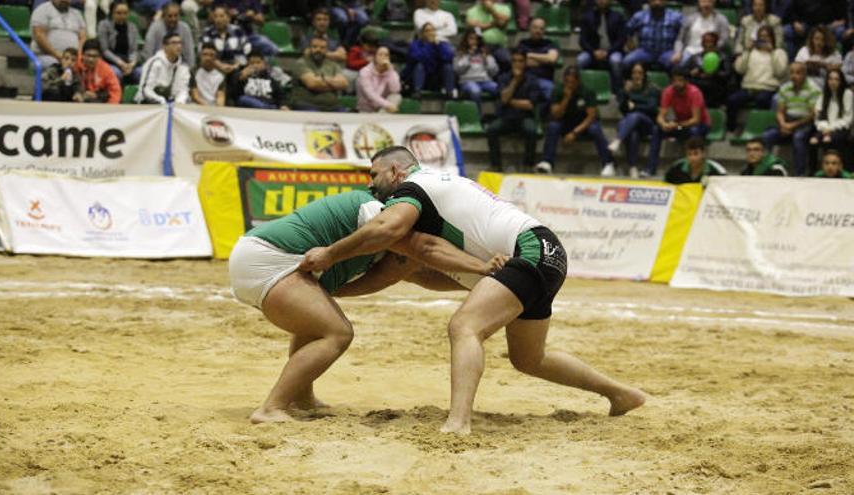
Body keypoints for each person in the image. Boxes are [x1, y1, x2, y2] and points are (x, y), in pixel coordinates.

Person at [299, 146, 647, 435]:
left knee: (464, 326)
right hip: (546, 252)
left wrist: (330, 254)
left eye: (374, 176)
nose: (372, 187)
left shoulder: (416, 185)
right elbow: (412, 270)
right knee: (529, 358)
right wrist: (336, 293)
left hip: (529, 249)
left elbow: (387, 228)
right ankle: (621, 394)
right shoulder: (439, 192)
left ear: (395, 171)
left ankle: (458, 422)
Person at [230, 189, 505, 423]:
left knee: (318, 325)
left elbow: (420, 274)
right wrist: (480, 266)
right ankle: (271, 407)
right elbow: (425, 248)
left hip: (264, 259)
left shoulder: (392, 236)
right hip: (267, 258)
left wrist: (487, 283)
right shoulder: (373, 209)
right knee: (336, 333)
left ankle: (300, 398)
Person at [537, 66, 616, 176]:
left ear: (578, 81)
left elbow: (591, 116)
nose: (569, 85)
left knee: (595, 129)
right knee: (552, 126)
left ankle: (608, 163)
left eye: (572, 82)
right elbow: (555, 115)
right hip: (565, 121)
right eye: (567, 81)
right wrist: (566, 98)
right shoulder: (558, 90)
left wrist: (574, 133)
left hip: (583, 124)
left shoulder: (587, 92)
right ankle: (547, 162)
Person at [486, 51, 542, 172]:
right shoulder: (504, 78)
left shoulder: (532, 80)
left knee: (532, 130)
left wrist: (510, 101)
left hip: (525, 117)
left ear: (525, 63)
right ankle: (496, 165)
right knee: (492, 129)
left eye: (520, 61)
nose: (517, 64)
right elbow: (503, 98)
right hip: (506, 116)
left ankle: (528, 165)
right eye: (515, 61)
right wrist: (515, 81)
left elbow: (530, 105)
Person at [762, 61, 821, 176]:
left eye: (798, 73)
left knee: (798, 138)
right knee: (767, 136)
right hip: (787, 121)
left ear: (805, 74)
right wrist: (783, 124)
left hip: (806, 123)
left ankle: (800, 174)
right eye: (792, 73)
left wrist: (792, 126)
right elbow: (780, 111)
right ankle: (766, 169)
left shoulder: (813, 89)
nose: (794, 76)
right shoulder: (785, 88)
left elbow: (812, 116)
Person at [727, 26, 788, 132]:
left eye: (766, 36)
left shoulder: (779, 52)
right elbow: (739, 69)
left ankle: (757, 128)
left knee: (762, 100)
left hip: (767, 88)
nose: (764, 39)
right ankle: (732, 129)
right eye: (761, 36)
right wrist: (747, 51)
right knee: (732, 100)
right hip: (748, 87)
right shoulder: (751, 52)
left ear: (772, 38)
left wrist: (772, 52)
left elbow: (780, 72)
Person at [608, 62, 662, 178]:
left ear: (644, 74)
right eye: (634, 73)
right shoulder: (627, 88)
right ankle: (633, 167)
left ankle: (618, 140)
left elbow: (652, 108)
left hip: (648, 124)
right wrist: (626, 94)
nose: (636, 75)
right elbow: (623, 109)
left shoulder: (652, 88)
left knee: (635, 115)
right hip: (632, 125)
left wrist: (635, 106)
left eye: (639, 72)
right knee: (633, 134)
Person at [577, 0, 627, 95]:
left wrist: (608, 52)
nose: (602, 1)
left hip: (612, 51)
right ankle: (580, 90)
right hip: (593, 51)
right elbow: (582, 40)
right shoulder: (587, 17)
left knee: (616, 61)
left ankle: (617, 90)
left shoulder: (618, 16)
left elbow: (621, 40)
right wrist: (593, 52)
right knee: (580, 60)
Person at [290, 36, 349, 111]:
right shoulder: (301, 63)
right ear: (309, 48)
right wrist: (334, 84)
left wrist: (324, 79)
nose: (318, 50)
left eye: (322, 48)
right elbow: (312, 84)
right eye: (315, 47)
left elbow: (344, 83)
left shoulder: (333, 64)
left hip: (332, 106)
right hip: (307, 105)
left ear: (327, 50)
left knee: (347, 115)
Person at [809, 68, 853, 169]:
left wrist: (830, 129)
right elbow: (818, 117)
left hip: (841, 129)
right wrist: (824, 128)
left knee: (827, 140)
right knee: (813, 141)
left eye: (836, 79)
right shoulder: (824, 94)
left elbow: (847, 120)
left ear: (841, 81)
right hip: (825, 128)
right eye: (830, 79)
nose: (833, 82)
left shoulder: (847, 94)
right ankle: (813, 172)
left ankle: (835, 170)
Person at [657, 66, 711, 147]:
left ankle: (694, 157)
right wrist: (663, 124)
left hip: (699, 125)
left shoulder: (695, 93)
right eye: (674, 80)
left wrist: (678, 125)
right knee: (656, 129)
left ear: (686, 81)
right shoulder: (668, 92)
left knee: (694, 131)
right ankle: (653, 160)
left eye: (680, 80)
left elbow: (696, 120)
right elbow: (661, 115)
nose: (677, 83)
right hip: (679, 126)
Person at [624, 0, 684, 72]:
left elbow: (683, 35)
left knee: (679, 65)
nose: (657, 3)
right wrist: (630, 41)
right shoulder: (640, 16)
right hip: (645, 51)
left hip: (667, 52)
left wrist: (678, 52)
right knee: (627, 61)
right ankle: (628, 83)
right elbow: (627, 30)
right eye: (654, 0)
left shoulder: (675, 16)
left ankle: (673, 83)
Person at [402, 23, 456, 99]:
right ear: (422, 33)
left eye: (432, 30)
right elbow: (417, 57)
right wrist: (429, 45)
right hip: (419, 77)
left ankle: (449, 93)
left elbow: (448, 58)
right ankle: (417, 92)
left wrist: (438, 46)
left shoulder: (441, 44)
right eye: (427, 31)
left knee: (448, 66)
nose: (430, 33)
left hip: (436, 79)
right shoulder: (415, 44)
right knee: (419, 65)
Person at [454, 29, 500, 117]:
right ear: (466, 40)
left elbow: (494, 72)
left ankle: (499, 115)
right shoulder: (460, 53)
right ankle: (478, 117)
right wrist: (468, 57)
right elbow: (458, 70)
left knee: (499, 89)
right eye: (471, 39)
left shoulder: (485, 53)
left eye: (476, 39)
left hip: (485, 81)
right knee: (475, 91)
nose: (474, 42)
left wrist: (486, 59)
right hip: (467, 81)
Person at [671, 0, 731, 66]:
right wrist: (678, 52)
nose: (706, 5)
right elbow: (679, 40)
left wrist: (712, 49)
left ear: (714, 3)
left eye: (709, 2)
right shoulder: (690, 19)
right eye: (703, 2)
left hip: (711, 53)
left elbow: (724, 40)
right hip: (689, 52)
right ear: (699, 2)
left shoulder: (721, 20)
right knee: (677, 67)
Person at [136, 33, 191, 104]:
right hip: (148, 103)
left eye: (180, 43)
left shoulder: (183, 67)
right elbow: (146, 90)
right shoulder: (155, 63)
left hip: (171, 104)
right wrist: (162, 101)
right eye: (174, 43)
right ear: (165, 46)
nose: (179, 46)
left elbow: (183, 90)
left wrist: (179, 102)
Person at [30, 0, 87, 68]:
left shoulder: (77, 13)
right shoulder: (42, 10)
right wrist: (59, 56)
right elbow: (39, 35)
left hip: (73, 57)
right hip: (47, 56)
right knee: (56, 65)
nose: (64, 1)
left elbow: (83, 37)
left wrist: (78, 55)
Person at [682, 31, 731, 108]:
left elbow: (727, 74)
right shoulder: (695, 57)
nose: (708, 44)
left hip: (714, 84)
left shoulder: (723, 57)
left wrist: (713, 73)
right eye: (705, 42)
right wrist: (690, 72)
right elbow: (682, 71)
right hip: (697, 82)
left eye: (710, 42)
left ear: (715, 43)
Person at [516, 18, 560, 102]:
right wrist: (543, 60)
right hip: (525, 79)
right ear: (530, 28)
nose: (538, 30)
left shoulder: (549, 43)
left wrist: (529, 54)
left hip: (544, 80)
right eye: (535, 27)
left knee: (551, 90)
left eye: (541, 28)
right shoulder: (523, 43)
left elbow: (551, 59)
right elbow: (520, 61)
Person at [97, 1, 141, 85]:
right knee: (116, 73)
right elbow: (104, 50)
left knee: (141, 72)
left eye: (125, 13)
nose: (122, 16)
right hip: (110, 61)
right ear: (111, 13)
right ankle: (117, 97)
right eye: (118, 13)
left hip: (128, 62)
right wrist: (120, 63)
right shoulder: (103, 25)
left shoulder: (132, 27)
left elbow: (134, 50)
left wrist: (132, 64)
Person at [199, 6, 252, 75]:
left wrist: (235, 66)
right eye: (215, 16)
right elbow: (203, 54)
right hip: (214, 70)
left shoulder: (238, 31)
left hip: (237, 69)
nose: (218, 19)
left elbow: (246, 51)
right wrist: (220, 65)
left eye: (221, 16)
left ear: (228, 18)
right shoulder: (207, 33)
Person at [143, 2, 196, 67]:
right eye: (170, 16)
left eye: (176, 15)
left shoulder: (185, 28)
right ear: (163, 16)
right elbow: (148, 51)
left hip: (179, 67)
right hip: (157, 66)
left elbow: (189, 53)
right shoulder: (155, 27)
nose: (173, 19)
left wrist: (189, 70)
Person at [465, 0, 512, 69]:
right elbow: (475, 29)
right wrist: (494, 24)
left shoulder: (504, 8)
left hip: (499, 47)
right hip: (479, 46)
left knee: (507, 61)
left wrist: (491, 10)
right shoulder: (472, 11)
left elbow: (502, 23)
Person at [75, 39, 122, 104]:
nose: (91, 59)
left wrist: (110, 109)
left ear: (99, 57)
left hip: (98, 102)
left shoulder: (105, 69)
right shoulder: (75, 64)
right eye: (88, 55)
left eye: (94, 56)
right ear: (82, 55)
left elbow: (115, 91)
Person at [356, 46, 402, 113]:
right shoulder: (365, 72)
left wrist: (390, 71)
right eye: (380, 54)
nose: (383, 57)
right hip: (366, 109)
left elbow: (395, 89)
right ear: (375, 57)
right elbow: (371, 94)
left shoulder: (391, 72)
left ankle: (380, 118)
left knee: (396, 96)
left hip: (382, 110)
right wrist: (388, 105)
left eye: (386, 55)